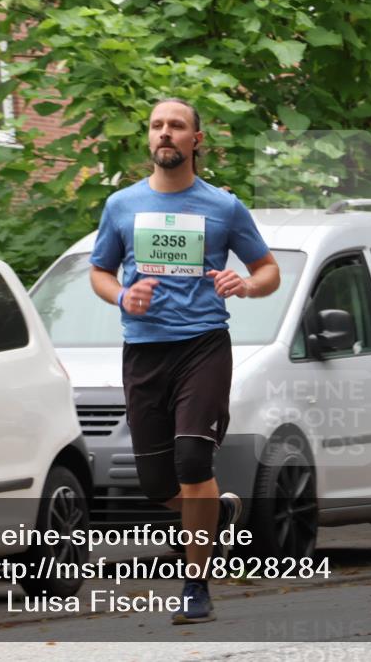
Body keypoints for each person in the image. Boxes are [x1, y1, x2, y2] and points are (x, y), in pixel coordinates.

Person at [89, 98, 281, 622]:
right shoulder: (121, 206)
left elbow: (268, 271)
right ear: (148, 139)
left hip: (203, 345)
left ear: (197, 140)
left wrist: (244, 284)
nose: (165, 134)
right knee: (157, 485)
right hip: (144, 351)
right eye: (157, 126)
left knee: (194, 462)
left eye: (177, 126)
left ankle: (194, 585)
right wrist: (121, 296)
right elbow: (101, 272)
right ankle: (213, 514)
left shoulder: (222, 207)